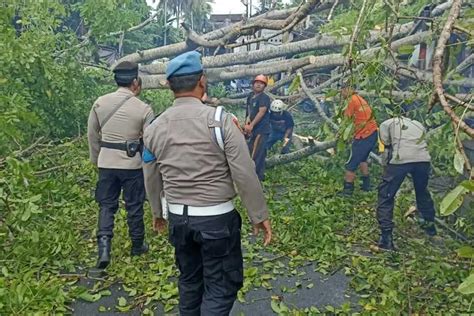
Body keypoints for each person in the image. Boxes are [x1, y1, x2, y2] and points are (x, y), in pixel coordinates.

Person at [142, 51, 272, 315]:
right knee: (220, 287)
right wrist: (258, 214)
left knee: (190, 282)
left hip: (179, 220)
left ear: (169, 85)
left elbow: (150, 174)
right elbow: (245, 172)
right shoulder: (220, 121)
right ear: (202, 81)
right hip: (217, 222)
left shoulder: (155, 127)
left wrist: (157, 212)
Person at [87, 61, 154, 269]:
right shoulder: (144, 108)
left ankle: (104, 248)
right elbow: (150, 142)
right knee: (134, 205)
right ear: (135, 82)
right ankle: (137, 245)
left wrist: (97, 159)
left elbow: (92, 135)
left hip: (106, 162)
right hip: (132, 165)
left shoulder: (100, 103)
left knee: (106, 205)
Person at [377, 112, 436, 250]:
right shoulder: (418, 124)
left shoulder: (387, 123)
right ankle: (430, 226)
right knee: (422, 191)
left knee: (386, 194)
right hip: (423, 160)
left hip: (401, 159)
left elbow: (385, 146)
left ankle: (386, 237)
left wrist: (385, 167)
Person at [339, 85, 378, 196]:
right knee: (362, 158)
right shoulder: (359, 98)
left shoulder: (351, 101)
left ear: (347, 89)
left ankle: (347, 191)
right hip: (373, 133)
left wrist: (341, 136)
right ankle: (366, 184)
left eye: (342, 90)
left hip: (364, 135)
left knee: (351, 164)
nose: (341, 93)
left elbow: (346, 121)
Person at [245, 74, 271, 181]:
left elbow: (262, 112)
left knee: (257, 152)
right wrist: (247, 123)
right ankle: (259, 174)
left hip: (261, 129)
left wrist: (252, 125)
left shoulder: (264, 97)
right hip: (253, 128)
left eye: (261, 84)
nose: (259, 85)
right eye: (257, 83)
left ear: (264, 86)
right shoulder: (251, 96)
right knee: (251, 149)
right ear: (253, 84)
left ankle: (255, 177)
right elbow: (249, 110)